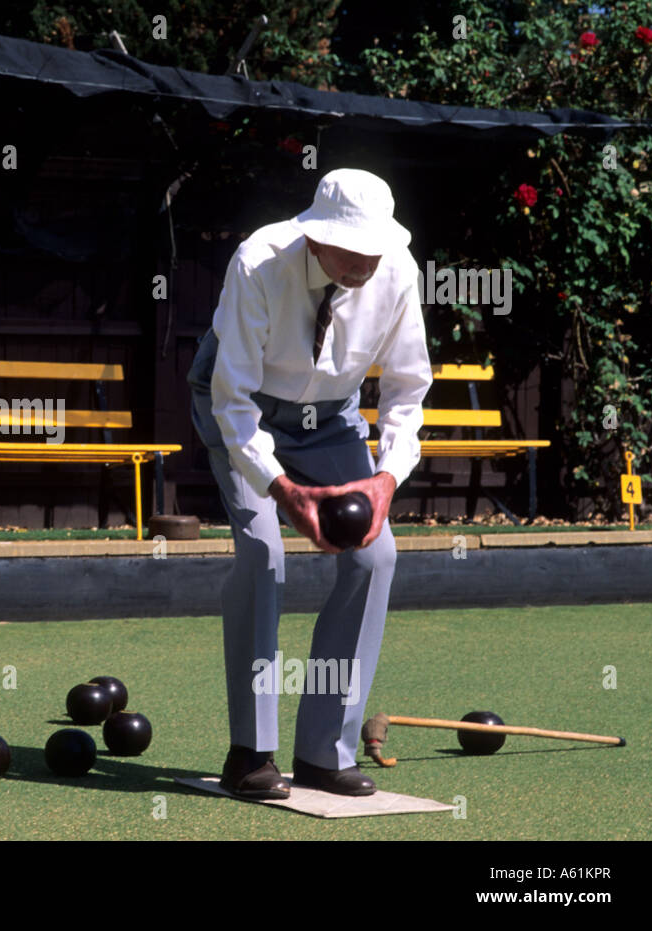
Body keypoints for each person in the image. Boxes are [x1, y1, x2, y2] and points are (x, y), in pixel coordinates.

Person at [187, 168, 432, 797]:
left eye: (372, 249)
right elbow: (233, 401)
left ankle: (326, 751)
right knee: (265, 554)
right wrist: (281, 487)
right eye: (348, 248)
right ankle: (250, 753)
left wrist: (385, 479)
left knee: (377, 554)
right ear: (315, 238)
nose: (362, 263)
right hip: (242, 405)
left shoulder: (397, 270)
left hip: (331, 417)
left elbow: (407, 391)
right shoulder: (258, 261)